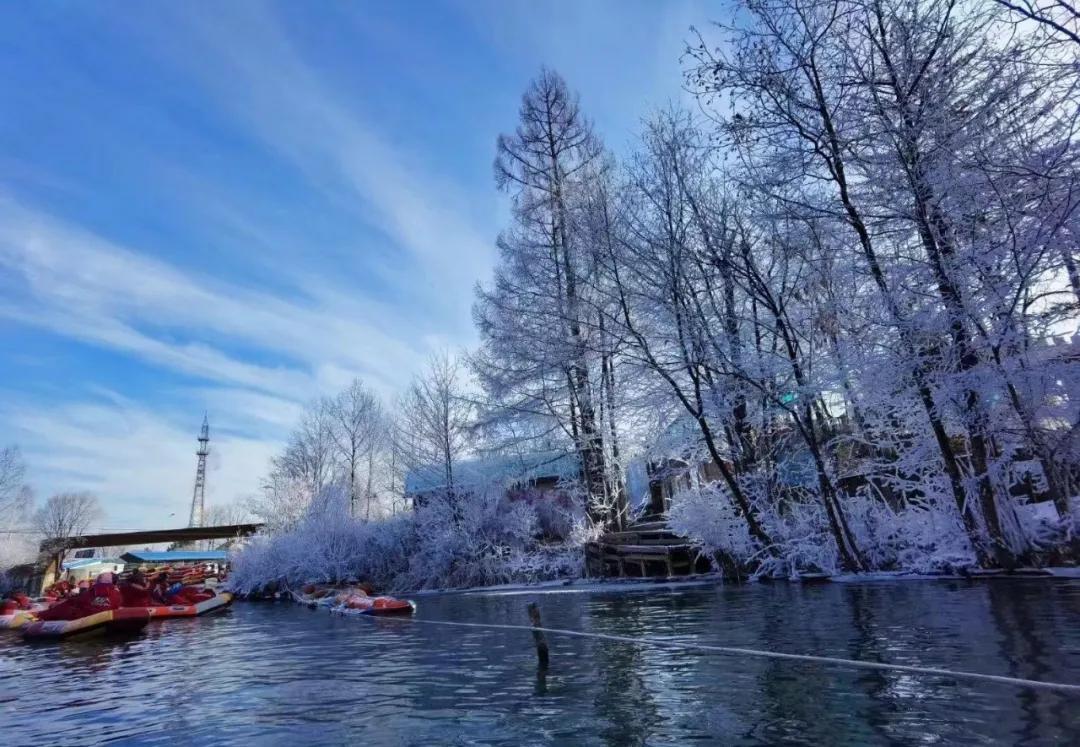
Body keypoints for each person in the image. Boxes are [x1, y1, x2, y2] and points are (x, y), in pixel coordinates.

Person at [37, 573, 122, 621]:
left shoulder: (92, 591)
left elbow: (81, 601)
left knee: (68, 605)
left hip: (85, 615)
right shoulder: (116, 592)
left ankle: (41, 615)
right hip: (102, 615)